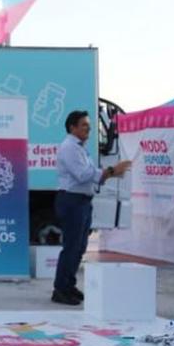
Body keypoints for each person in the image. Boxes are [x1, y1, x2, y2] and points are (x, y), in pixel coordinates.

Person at [53, 110, 132, 305]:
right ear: (72, 127)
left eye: (89, 125)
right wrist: (111, 171)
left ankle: (68, 285)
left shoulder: (79, 148)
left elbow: (90, 175)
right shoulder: (70, 148)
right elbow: (83, 175)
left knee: (80, 247)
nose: (88, 129)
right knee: (71, 247)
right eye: (84, 125)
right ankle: (60, 289)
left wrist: (109, 173)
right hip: (72, 200)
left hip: (82, 201)